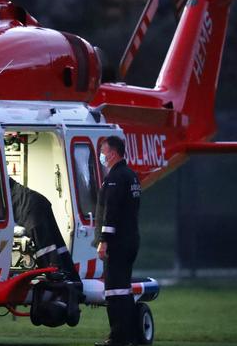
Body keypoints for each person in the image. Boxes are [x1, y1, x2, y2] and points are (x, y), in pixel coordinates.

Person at [93, 136, 141, 346]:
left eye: (103, 151)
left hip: (118, 243)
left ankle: (117, 338)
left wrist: (104, 240)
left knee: (114, 291)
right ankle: (130, 335)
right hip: (131, 240)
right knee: (124, 289)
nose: (102, 156)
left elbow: (111, 212)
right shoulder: (132, 176)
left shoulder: (114, 178)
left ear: (112, 153)